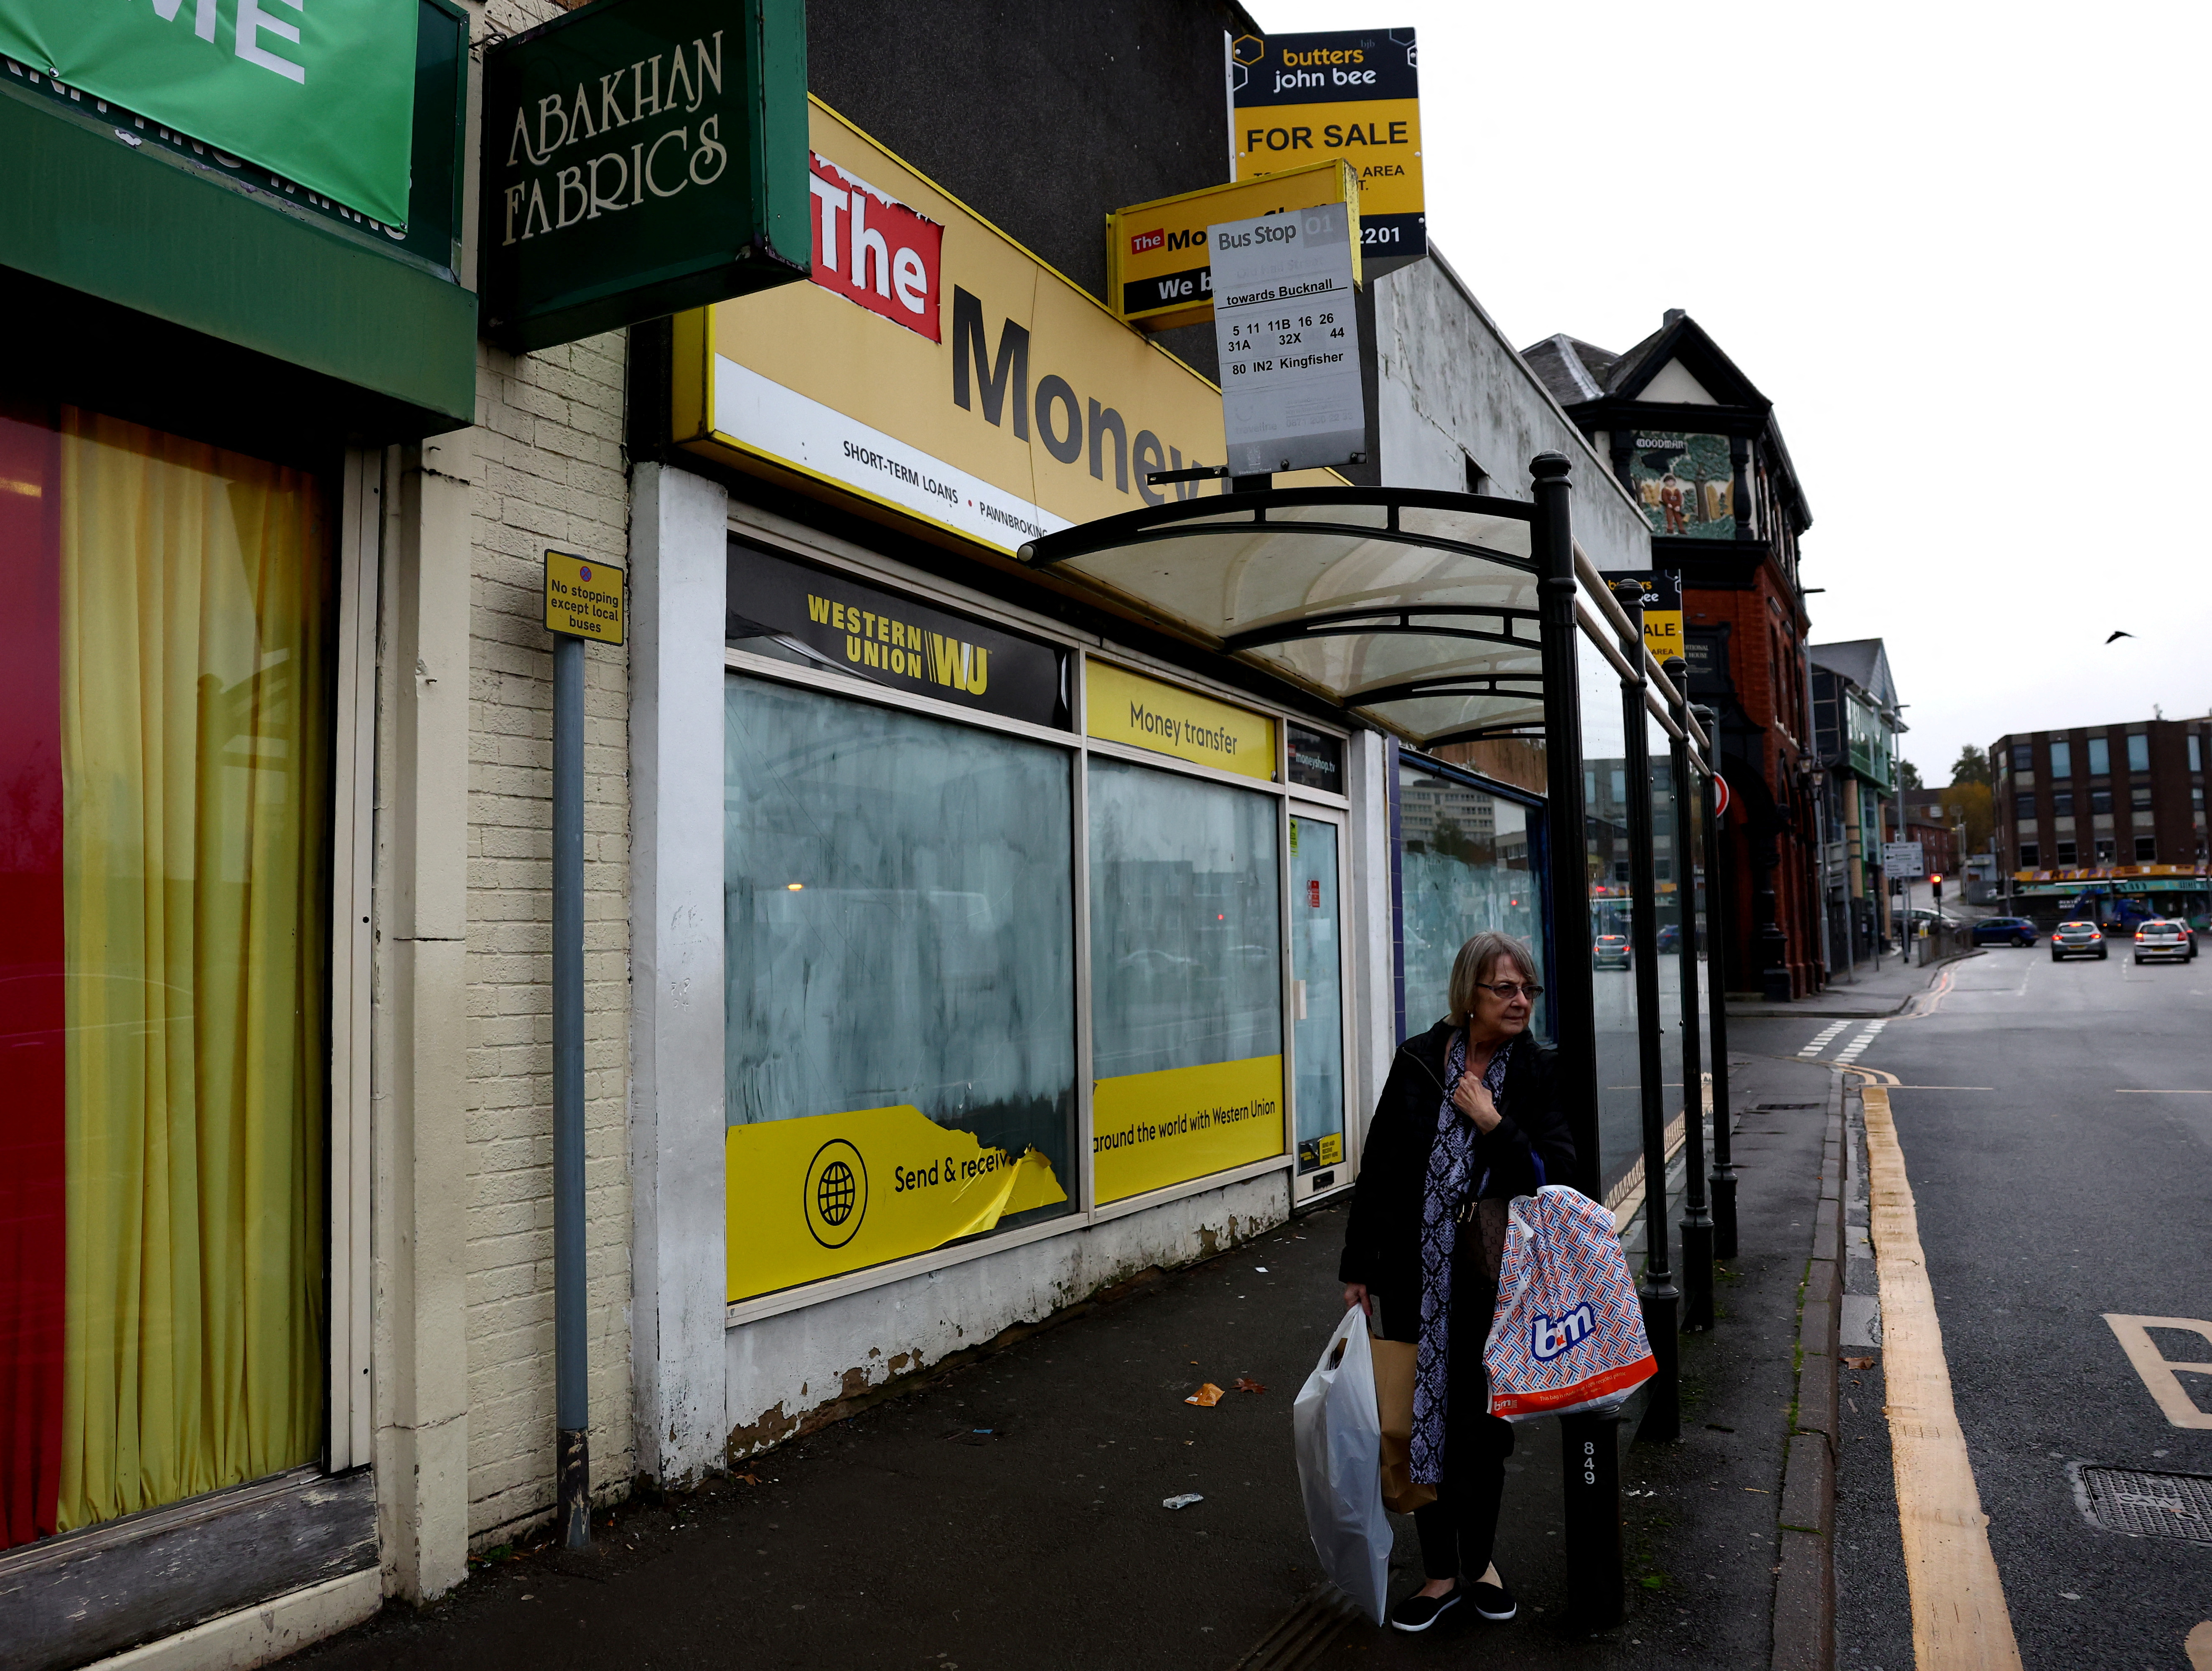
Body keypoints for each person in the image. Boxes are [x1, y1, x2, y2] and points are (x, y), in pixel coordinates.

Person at [1338, 930, 1576, 1633]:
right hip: (1414, 1277)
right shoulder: (1417, 1061)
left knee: (1483, 1428)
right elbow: (1379, 1170)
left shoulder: (1535, 1072)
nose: (1520, 1000)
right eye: (1504, 988)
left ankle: (1481, 1566)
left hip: (1496, 1280)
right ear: (1467, 995)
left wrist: (1494, 1123)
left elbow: (1555, 1174)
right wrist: (1357, 1267)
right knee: (1417, 1423)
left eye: (1527, 988)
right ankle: (1439, 1575)